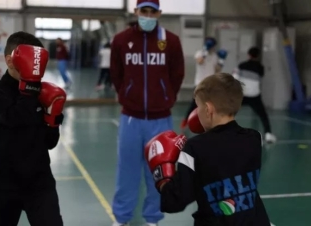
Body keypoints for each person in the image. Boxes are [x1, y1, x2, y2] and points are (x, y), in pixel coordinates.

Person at [145, 73, 271, 226]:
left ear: (208, 109)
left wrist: (162, 174)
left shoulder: (194, 148)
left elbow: (173, 202)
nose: (195, 112)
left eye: (198, 106)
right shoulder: (254, 139)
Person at [109, 0, 185, 225]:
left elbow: (177, 74)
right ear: (136, 12)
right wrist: (127, 93)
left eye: (153, 12)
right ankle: (121, 218)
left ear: (159, 13)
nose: (148, 16)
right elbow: (116, 73)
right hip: (131, 119)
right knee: (127, 173)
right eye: (144, 11)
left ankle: (152, 218)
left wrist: (166, 97)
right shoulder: (122, 40)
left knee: (160, 173)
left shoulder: (171, 41)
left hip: (161, 120)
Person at [0, 31, 66, 226]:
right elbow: (14, 119)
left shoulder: (43, 92)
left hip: (39, 180)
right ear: (10, 61)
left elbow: (50, 143)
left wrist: (53, 118)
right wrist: (30, 88)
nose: (35, 68)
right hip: (3, 182)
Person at [180, 37, 227, 131]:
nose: (212, 48)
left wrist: (222, 61)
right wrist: (205, 51)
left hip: (211, 84)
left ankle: (212, 123)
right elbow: (200, 61)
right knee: (194, 103)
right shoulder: (200, 53)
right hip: (200, 83)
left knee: (213, 104)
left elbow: (217, 69)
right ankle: (186, 121)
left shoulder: (214, 56)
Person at [233, 47, 276, 143]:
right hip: (254, 95)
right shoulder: (260, 67)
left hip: (242, 95)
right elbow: (259, 79)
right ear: (258, 56)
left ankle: (220, 132)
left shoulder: (241, 65)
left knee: (230, 113)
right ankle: (268, 134)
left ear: (248, 55)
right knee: (263, 115)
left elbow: (235, 77)